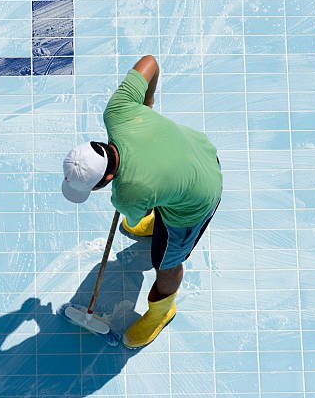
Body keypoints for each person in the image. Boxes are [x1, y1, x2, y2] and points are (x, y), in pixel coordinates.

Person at [61, 55, 222, 349]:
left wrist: (138, 193)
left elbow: (138, 208)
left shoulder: (128, 194)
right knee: (158, 196)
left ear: (108, 178)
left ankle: (162, 311)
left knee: (166, 261)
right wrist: (145, 104)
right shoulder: (117, 110)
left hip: (200, 194)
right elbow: (150, 62)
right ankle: (160, 220)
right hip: (198, 150)